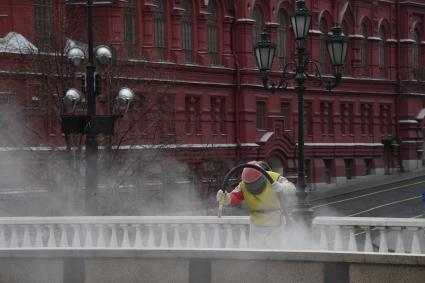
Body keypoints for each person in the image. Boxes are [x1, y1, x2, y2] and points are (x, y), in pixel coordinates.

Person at [216, 160, 296, 249]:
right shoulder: (243, 185)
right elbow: (234, 197)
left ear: (261, 176)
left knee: (274, 254)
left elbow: (292, 188)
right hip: (256, 226)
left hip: (275, 224)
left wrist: (281, 187)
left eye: (255, 183)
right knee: (256, 255)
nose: (253, 187)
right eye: (250, 185)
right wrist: (225, 198)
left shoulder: (274, 177)